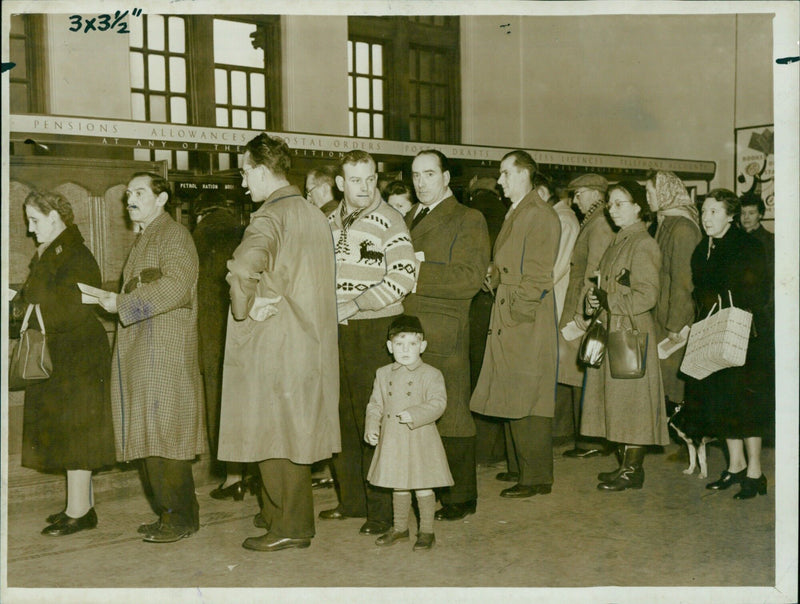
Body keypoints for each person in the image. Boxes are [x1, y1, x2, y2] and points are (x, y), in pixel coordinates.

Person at [216, 134, 340, 552]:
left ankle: (291, 525)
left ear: (262, 170)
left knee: (274, 434)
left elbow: (241, 270)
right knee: (296, 432)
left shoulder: (268, 217)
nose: (242, 180)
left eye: (245, 171)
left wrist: (244, 310)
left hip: (277, 343)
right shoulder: (312, 212)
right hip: (312, 341)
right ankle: (277, 512)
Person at [97, 172, 205, 543]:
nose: (130, 199)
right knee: (153, 436)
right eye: (128, 193)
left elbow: (176, 286)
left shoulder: (173, 234)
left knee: (166, 438)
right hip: (147, 349)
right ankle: (169, 513)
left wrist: (122, 303)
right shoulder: (149, 235)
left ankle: (180, 518)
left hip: (163, 351)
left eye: (139, 192)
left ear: (161, 199)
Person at [318, 150, 418, 536]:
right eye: (355, 180)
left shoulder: (390, 220)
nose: (364, 187)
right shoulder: (328, 219)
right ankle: (353, 501)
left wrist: (355, 304)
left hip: (375, 329)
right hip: (337, 330)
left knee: (375, 418)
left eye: (370, 178)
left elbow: (403, 278)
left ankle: (382, 512)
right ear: (340, 184)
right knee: (342, 417)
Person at [18, 191, 116, 536]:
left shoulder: (74, 253)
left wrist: (28, 311)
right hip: (63, 354)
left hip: (78, 356)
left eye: (35, 221)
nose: (31, 230)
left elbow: (74, 306)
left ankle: (80, 511)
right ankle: (78, 507)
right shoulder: (54, 251)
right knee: (70, 434)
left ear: (55, 219)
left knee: (78, 435)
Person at [470, 150, 561, 499]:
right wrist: (494, 279)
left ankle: (536, 476)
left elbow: (538, 276)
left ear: (525, 174)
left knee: (529, 394)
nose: (500, 181)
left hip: (524, 317)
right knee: (514, 390)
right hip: (511, 309)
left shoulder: (539, 214)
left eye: (506, 173)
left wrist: (516, 313)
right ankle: (521, 466)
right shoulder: (521, 211)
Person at [405, 149, 489, 520]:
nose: (421, 182)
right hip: (411, 329)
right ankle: (429, 489)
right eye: (416, 175)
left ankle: (461, 498)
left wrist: (412, 273)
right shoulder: (409, 215)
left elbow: (469, 279)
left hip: (445, 329)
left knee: (452, 414)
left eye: (428, 174)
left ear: (446, 177)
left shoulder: (468, 219)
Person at [582, 181, 669, 491]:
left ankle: (633, 470)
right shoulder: (620, 240)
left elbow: (647, 296)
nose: (612, 209)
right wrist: (594, 299)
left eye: (620, 203)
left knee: (631, 401)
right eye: (611, 204)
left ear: (638, 208)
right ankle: (625, 464)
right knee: (618, 400)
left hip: (630, 330)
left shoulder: (643, 243)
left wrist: (610, 301)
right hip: (614, 326)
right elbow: (609, 286)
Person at [688, 189, 770, 500]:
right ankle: (735, 465)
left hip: (745, 335)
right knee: (724, 402)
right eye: (704, 211)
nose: (705, 217)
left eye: (712, 211)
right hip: (714, 332)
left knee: (747, 404)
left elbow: (756, 291)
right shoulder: (703, 248)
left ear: (730, 215)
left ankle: (755, 471)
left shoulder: (748, 246)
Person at [364, 315, 454, 551]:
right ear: (389, 347)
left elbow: (438, 403)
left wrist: (415, 413)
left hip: (420, 438)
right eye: (399, 344)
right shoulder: (383, 374)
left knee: (423, 484)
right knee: (399, 484)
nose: (405, 350)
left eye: (412, 344)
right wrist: (372, 425)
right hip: (393, 438)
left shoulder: (431, 374)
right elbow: (375, 404)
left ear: (422, 346)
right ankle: (400, 528)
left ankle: (426, 531)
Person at [191, 192, 253, 500]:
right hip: (247, 331)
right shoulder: (244, 232)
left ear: (199, 215)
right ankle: (254, 473)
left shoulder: (197, 237)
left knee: (220, 404)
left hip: (212, 336)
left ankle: (233, 477)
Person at [558, 174, 616, 460]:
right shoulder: (593, 221)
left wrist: (583, 313)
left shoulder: (600, 224)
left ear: (595, 194)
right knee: (578, 371)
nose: (575, 201)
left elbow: (595, 272)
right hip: (580, 303)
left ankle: (593, 438)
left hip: (586, 307)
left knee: (586, 371)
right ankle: (586, 435)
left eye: (579, 194)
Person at [644, 171, 702, 407]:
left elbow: (683, 282)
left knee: (672, 391)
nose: (647, 197)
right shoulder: (666, 222)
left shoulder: (683, 228)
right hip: (661, 316)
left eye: (650, 192)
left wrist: (675, 325)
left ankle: (675, 444)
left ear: (665, 192)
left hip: (673, 325)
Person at [464, 175, 508, 466]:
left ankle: (480, 449)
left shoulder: (472, 212)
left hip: (477, 299)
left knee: (477, 372)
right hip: (498, 297)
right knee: (494, 372)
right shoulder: (504, 212)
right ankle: (496, 448)